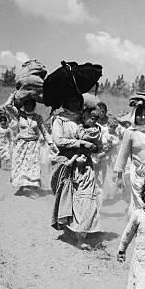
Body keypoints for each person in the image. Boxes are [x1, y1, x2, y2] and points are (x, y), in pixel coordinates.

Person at [51, 94, 102, 249]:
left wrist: (93, 143)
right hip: (66, 164)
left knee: (84, 199)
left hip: (84, 166)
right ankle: (68, 229)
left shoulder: (83, 119)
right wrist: (80, 143)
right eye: (71, 100)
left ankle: (81, 236)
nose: (74, 104)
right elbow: (58, 141)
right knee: (66, 197)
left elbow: (96, 145)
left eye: (77, 101)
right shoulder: (59, 120)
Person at [113, 94, 145, 215]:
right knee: (140, 203)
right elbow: (123, 155)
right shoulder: (130, 132)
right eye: (139, 114)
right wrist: (119, 176)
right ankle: (137, 228)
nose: (142, 117)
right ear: (134, 115)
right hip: (138, 172)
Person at [3, 92, 54, 197]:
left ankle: (32, 188)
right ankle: (21, 188)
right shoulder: (19, 115)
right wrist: (13, 95)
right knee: (20, 165)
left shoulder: (38, 117)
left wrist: (51, 143)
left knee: (32, 166)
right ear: (24, 105)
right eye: (27, 104)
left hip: (33, 145)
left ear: (34, 106)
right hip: (21, 144)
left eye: (31, 104)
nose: (28, 106)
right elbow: (7, 106)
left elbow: (44, 132)